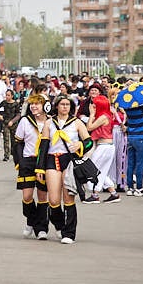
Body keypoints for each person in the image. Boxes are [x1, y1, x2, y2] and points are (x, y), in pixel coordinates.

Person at [40, 94, 91, 245]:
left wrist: (80, 145)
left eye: (67, 105)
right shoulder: (49, 123)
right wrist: (39, 169)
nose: (64, 107)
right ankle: (60, 225)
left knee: (68, 198)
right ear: (56, 106)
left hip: (69, 161)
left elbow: (88, 142)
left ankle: (69, 233)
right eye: (62, 104)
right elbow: (43, 148)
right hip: (51, 159)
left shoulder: (77, 123)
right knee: (54, 200)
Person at [14, 92, 51, 239]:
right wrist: (19, 162)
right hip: (28, 161)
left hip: (44, 161)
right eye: (32, 104)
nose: (34, 106)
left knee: (43, 196)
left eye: (37, 104)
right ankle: (31, 220)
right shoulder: (25, 121)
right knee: (27, 196)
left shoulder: (51, 122)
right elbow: (18, 143)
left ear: (45, 106)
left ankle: (42, 228)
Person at [80, 88, 122, 203]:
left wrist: (92, 114)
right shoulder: (106, 115)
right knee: (101, 171)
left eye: (94, 105)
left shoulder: (103, 116)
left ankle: (95, 194)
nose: (92, 107)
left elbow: (89, 127)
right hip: (106, 146)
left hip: (104, 146)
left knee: (92, 170)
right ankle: (113, 193)